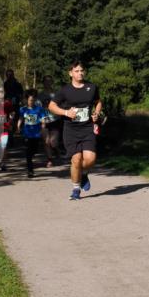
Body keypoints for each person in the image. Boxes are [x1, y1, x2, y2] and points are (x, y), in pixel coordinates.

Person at [48, 61, 102, 200]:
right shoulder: (65, 90)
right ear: (70, 73)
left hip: (87, 128)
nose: (80, 73)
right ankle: (76, 190)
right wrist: (66, 113)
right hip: (71, 129)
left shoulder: (91, 87)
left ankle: (83, 174)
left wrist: (96, 113)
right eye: (77, 71)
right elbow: (51, 106)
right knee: (76, 159)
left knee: (90, 159)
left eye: (82, 70)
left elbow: (98, 102)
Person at [18, 90, 45, 178]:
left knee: (34, 150)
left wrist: (43, 128)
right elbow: (21, 119)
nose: (31, 102)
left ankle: (31, 159)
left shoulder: (39, 109)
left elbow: (43, 120)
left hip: (36, 133)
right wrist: (18, 127)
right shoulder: (23, 109)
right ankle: (30, 170)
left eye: (33, 100)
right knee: (28, 152)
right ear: (26, 100)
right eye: (29, 100)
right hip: (27, 133)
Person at [37, 75, 62, 167]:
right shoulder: (40, 95)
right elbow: (37, 108)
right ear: (43, 83)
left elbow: (61, 105)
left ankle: (57, 151)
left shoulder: (57, 94)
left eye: (49, 81)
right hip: (44, 120)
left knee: (53, 142)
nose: (48, 83)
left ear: (52, 82)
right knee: (46, 141)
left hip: (55, 119)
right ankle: (49, 159)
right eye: (46, 81)